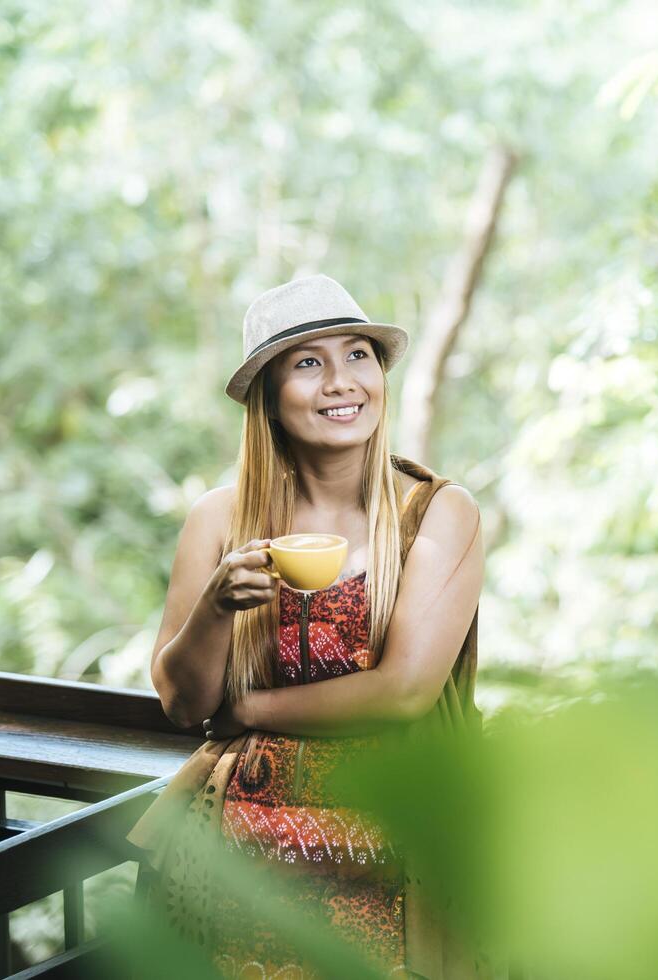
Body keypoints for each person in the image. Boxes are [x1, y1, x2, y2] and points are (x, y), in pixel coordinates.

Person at [135, 273, 488, 980]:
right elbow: (181, 703)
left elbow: (403, 692)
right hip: (235, 862)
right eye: (307, 363)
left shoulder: (437, 514)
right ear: (268, 393)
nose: (340, 382)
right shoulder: (218, 519)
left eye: (357, 355)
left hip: (392, 866)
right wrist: (213, 609)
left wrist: (249, 709)